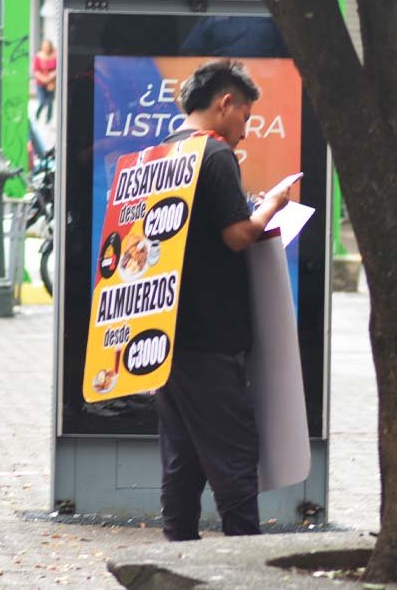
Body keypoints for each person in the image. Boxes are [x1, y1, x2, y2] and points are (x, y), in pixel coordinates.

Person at [156, 59, 295, 542]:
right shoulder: (213, 157)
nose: (245, 131)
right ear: (225, 103)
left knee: (184, 457)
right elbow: (238, 235)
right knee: (234, 457)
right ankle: (243, 562)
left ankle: (178, 555)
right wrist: (271, 207)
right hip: (211, 336)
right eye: (246, 118)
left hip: (169, 335)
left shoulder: (163, 152)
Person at [32, 39, 57, 124]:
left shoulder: (54, 55)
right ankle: (37, 115)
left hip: (51, 83)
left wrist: (52, 75)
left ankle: (48, 119)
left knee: (50, 102)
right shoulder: (38, 56)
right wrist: (44, 79)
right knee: (42, 100)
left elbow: (58, 68)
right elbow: (36, 71)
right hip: (41, 83)